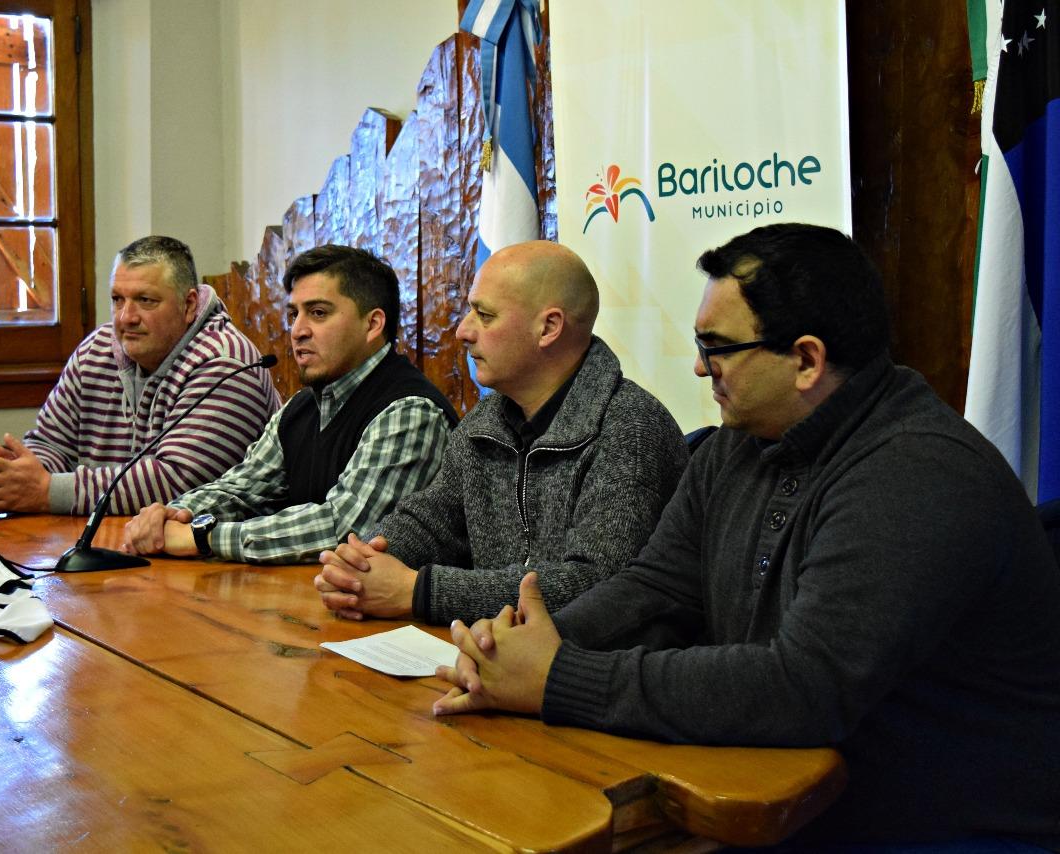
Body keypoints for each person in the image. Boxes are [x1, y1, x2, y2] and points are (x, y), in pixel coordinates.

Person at [433, 224, 1060, 849]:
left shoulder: (918, 474)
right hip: (788, 806)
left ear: (807, 360)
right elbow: (657, 586)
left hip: (941, 831)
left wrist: (561, 678)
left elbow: (805, 686)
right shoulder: (738, 443)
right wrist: (519, 647)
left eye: (718, 347)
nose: (700, 366)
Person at [315, 240, 687, 624]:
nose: (462, 331)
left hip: (594, 672)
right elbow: (431, 522)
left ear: (548, 328)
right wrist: (365, 564)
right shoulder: (485, 421)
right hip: (499, 655)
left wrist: (420, 591)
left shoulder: (632, 428)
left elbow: (596, 585)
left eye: (485, 315)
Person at [120, 244, 458, 564]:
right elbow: (243, 488)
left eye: (318, 313)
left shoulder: (411, 411)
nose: (297, 331)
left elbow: (343, 530)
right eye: (293, 314)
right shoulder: (303, 406)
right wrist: (173, 515)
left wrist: (203, 537)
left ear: (372, 324)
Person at [0, 235, 280, 519]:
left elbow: (177, 481)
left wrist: (46, 491)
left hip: (211, 562)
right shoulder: (97, 349)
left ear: (189, 305)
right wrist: (12, 480)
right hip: (109, 542)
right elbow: (50, 443)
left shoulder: (226, 362)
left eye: (145, 300)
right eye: (117, 300)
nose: (126, 318)